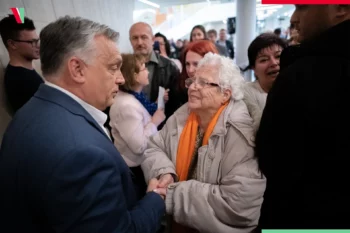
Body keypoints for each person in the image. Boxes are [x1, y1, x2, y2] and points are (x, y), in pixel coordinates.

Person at [0, 16, 166, 233]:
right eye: (113, 67)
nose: (121, 78)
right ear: (77, 69)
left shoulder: (30, 112)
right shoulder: (81, 154)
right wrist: (154, 199)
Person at [142, 52, 266, 233]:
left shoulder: (241, 133)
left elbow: (239, 205)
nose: (192, 87)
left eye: (203, 83)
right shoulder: (183, 115)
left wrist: (173, 195)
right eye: (192, 81)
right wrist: (164, 172)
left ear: (225, 93)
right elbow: (154, 147)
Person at [256, 4, 350, 229]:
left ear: (340, 8)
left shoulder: (303, 76)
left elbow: (274, 158)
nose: (294, 18)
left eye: (303, 8)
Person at [109, 53, 167, 199]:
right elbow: (139, 145)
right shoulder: (126, 105)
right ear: (135, 76)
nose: (147, 71)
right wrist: (155, 122)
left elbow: (140, 117)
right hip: (134, 169)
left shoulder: (134, 97)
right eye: (143, 68)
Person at [129, 22, 179, 128]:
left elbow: (176, 106)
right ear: (130, 41)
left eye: (144, 37)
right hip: (132, 127)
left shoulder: (169, 67)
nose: (139, 42)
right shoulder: (123, 68)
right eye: (135, 38)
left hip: (162, 129)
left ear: (152, 40)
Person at [242, 33, 287, 131]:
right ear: (254, 69)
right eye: (264, 60)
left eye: (278, 56)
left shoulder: (300, 88)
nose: (274, 63)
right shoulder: (245, 94)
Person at [0, 14, 43, 113]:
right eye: (32, 42)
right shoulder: (20, 80)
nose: (38, 46)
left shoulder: (26, 72)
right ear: (12, 44)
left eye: (37, 41)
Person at [166, 40, 219, 118]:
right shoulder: (180, 86)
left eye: (196, 64)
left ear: (211, 63)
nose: (190, 70)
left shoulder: (222, 89)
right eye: (187, 64)